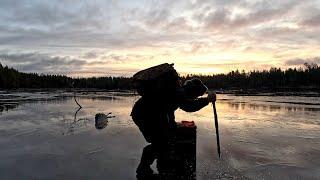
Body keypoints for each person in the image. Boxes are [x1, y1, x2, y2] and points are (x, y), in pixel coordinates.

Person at [131, 77, 216, 177]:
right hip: (143, 114)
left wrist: (173, 124)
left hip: (146, 113)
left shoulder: (176, 91)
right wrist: (207, 100)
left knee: (163, 139)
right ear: (192, 91)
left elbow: (167, 109)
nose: (195, 98)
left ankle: (156, 166)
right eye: (197, 95)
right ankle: (143, 169)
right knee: (160, 142)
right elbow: (189, 106)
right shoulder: (179, 92)